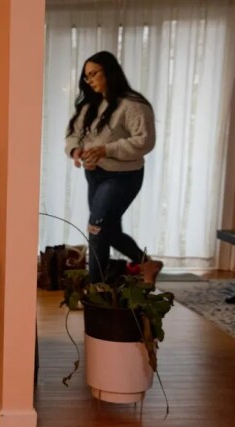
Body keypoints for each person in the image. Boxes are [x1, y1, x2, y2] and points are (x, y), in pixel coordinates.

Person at [65, 50, 162, 286]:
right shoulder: (91, 105)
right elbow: (74, 135)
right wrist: (75, 150)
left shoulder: (133, 105)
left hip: (122, 177)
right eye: (87, 77)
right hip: (95, 175)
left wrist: (106, 150)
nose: (90, 81)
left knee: (96, 229)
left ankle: (95, 288)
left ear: (109, 71)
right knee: (107, 230)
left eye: (94, 74)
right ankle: (147, 264)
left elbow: (144, 141)